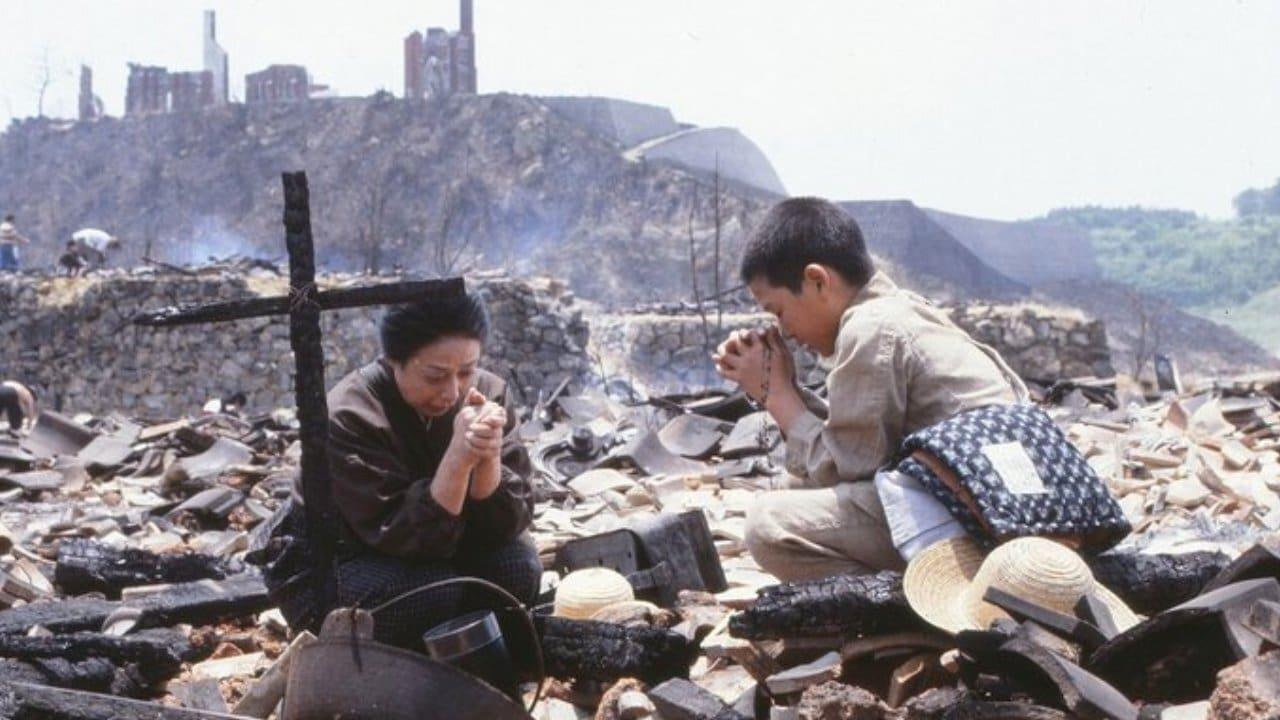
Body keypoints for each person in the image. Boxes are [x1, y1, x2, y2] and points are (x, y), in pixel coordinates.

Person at [714, 197, 1027, 582]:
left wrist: (776, 396)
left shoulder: (870, 330)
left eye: (778, 311)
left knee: (768, 526)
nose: (786, 331)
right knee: (795, 485)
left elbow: (845, 469)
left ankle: (918, 605)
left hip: (981, 527)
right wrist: (785, 384)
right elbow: (854, 442)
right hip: (1003, 510)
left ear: (817, 281)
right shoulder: (899, 309)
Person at [253, 291, 540, 649]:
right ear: (394, 360)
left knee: (517, 570)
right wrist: (457, 460)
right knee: (428, 594)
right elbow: (403, 536)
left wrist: (488, 457)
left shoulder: (488, 392)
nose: (452, 391)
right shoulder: (351, 414)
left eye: (466, 371)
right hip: (347, 556)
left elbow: (505, 526)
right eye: (435, 375)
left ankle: (473, 659)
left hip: (442, 545)